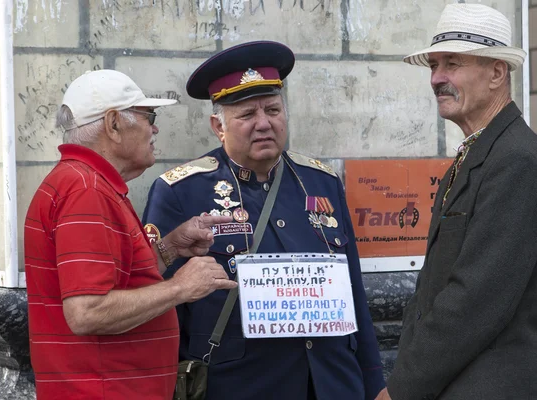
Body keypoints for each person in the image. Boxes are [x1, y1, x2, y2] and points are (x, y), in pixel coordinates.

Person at [142, 41, 386, 400]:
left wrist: (375, 383)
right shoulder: (180, 191)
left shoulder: (321, 182)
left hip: (333, 383)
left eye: (273, 110)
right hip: (238, 386)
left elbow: (353, 291)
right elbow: (160, 306)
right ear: (218, 126)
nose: (264, 124)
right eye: (246, 116)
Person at [377, 4, 537, 400]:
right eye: (433, 65)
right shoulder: (482, 153)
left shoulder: (517, 160)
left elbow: (473, 301)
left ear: (497, 72)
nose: (437, 78)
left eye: (452, 64)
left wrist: (400, 390)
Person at [24, 69, 237, 400]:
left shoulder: (85, 182)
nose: (154, 127)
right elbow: (88, 311)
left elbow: (115, 280)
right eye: (148, 116)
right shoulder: (85, 189)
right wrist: (180, 288)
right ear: (113, 124)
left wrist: (170, 248)